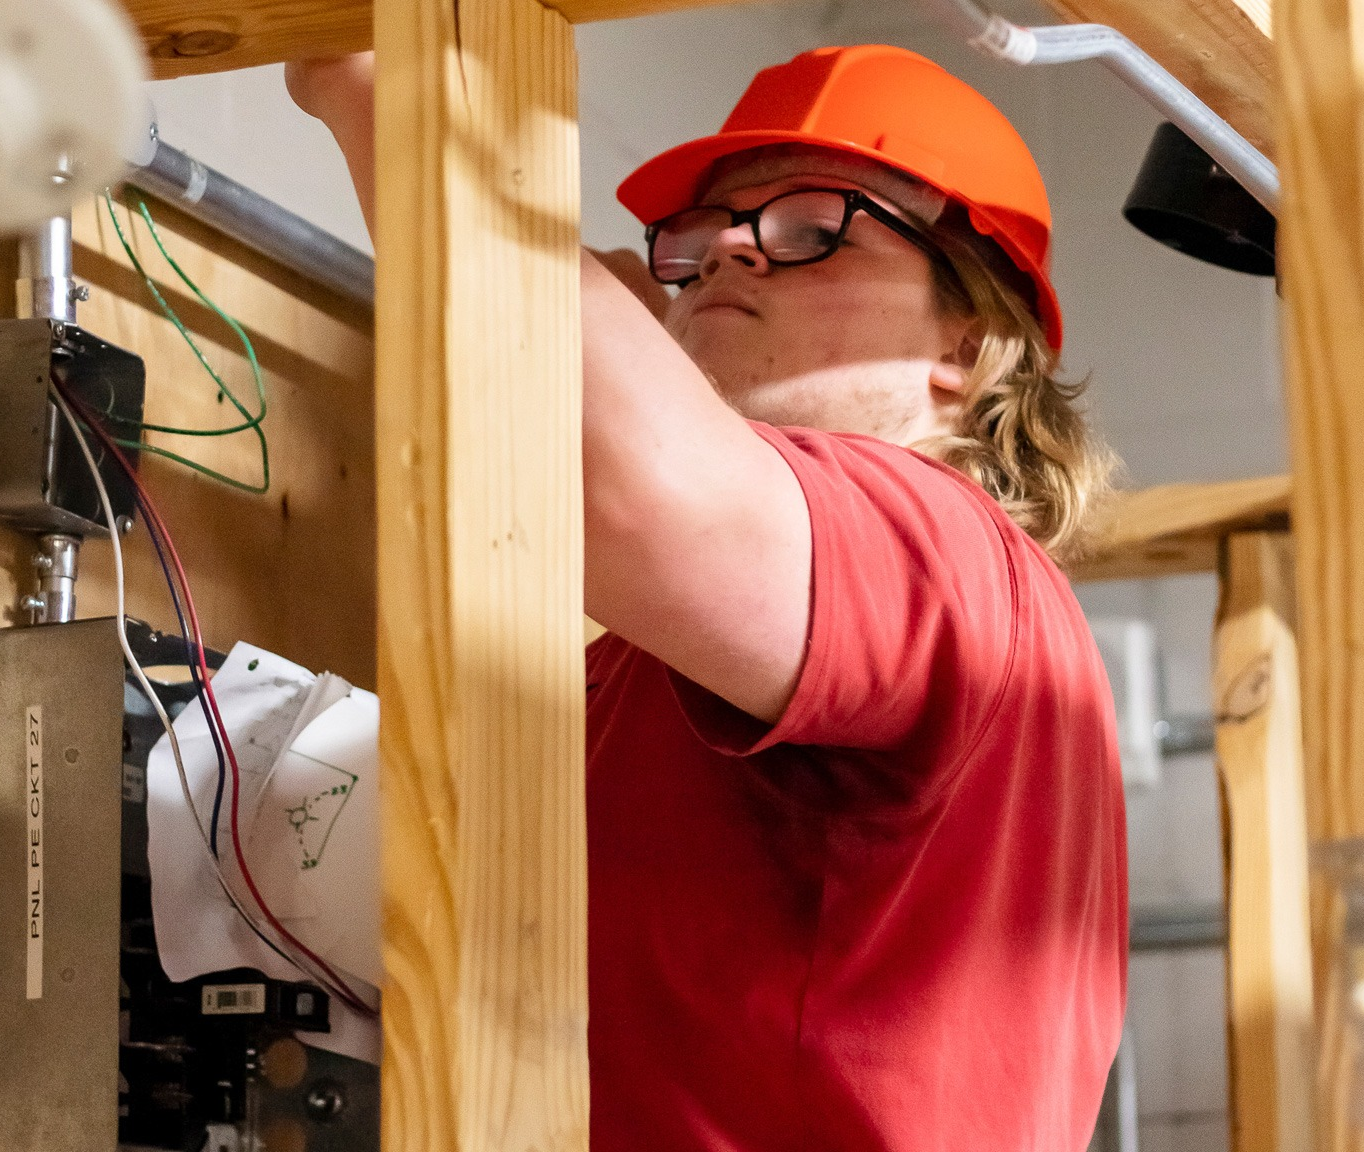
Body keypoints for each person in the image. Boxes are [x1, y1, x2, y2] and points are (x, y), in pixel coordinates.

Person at [288, 42, 1126, 1152]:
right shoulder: (695, 648)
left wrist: (378, 83)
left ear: (965, 343)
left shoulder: (929, 544)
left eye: (808, 227)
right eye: (701, 239)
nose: (729, 253)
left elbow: (626, 490)